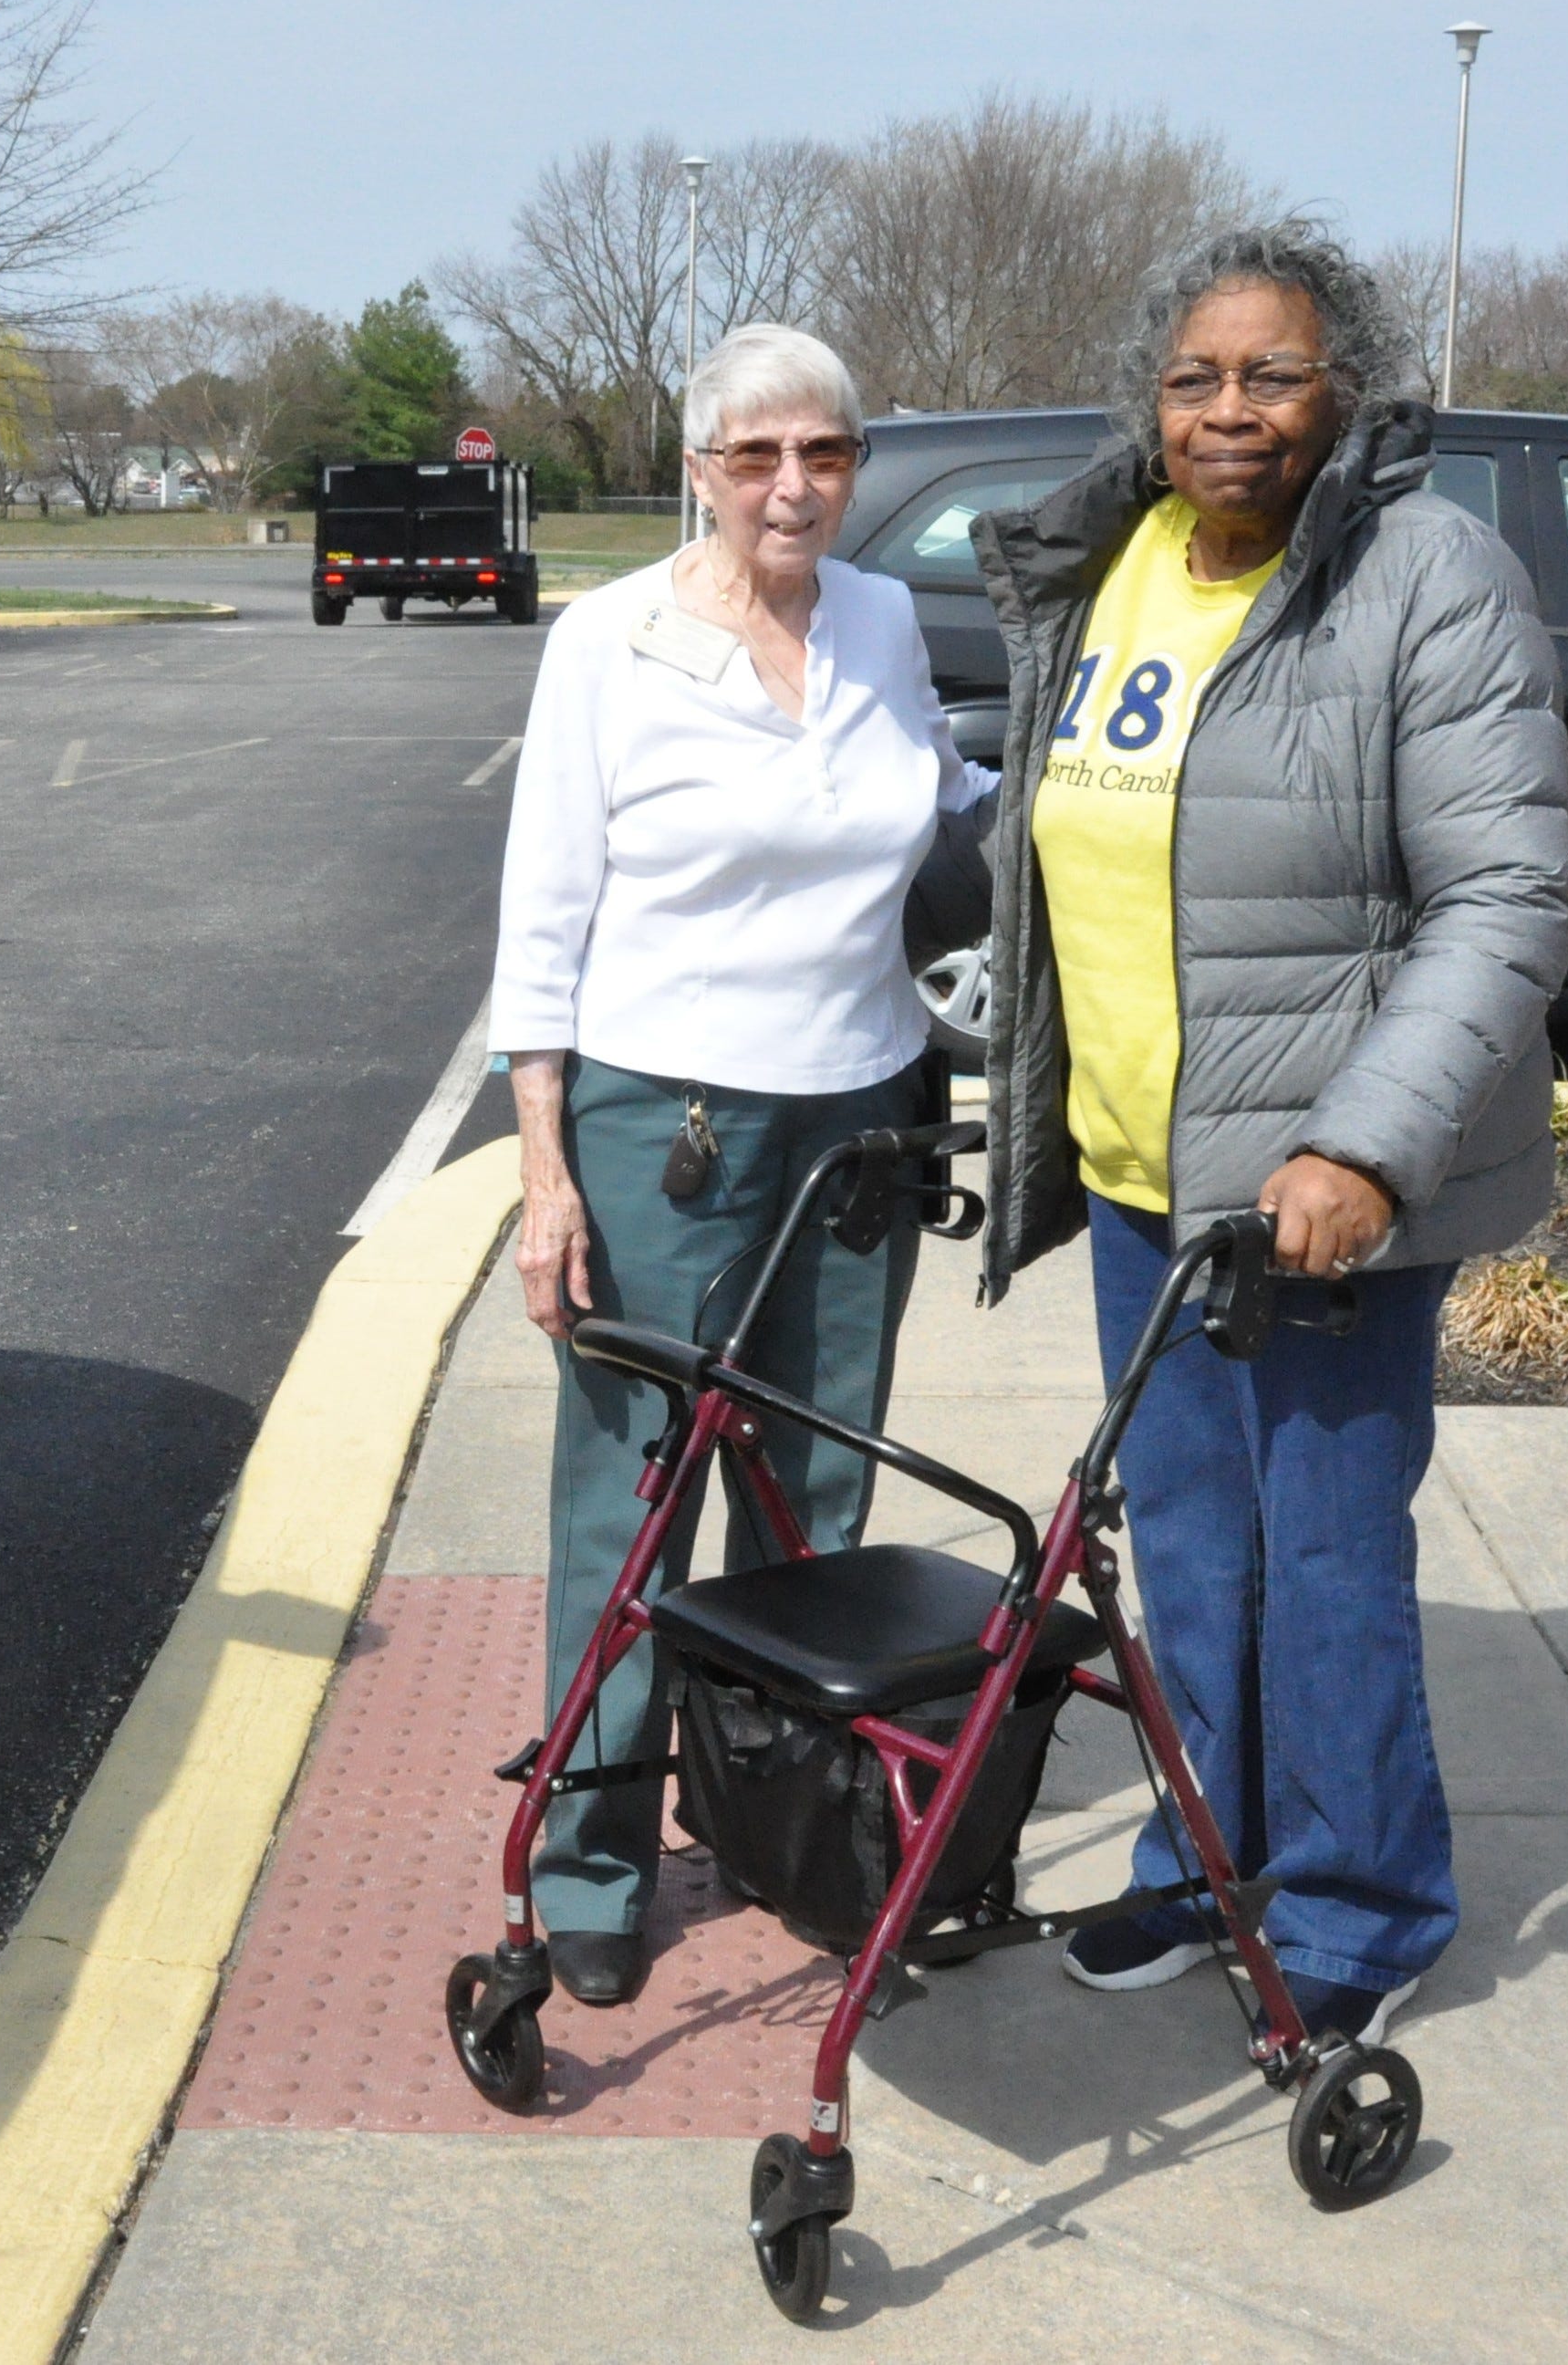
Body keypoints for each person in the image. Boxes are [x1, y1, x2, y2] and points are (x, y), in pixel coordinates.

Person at [968, 221, 1568, 2046]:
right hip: (1153, 1180)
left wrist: (1367, 1149)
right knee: (1192, 1545)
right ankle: (1205, 1847)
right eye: (1195, 377)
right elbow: (1061, 849)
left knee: (1322, 1555)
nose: (1231, 411)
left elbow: (1511, 894)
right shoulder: (1119, 564)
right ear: (1151, 407)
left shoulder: (1426, 576)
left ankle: (1362, 1900)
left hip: (1322, 1199)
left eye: (1273, 374)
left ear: (1348, 393)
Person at [489, 322, 995, 2006]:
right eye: (756, 455)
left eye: (826, 455)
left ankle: (790, 1822)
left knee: (813, 1501)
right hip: (666, 1127)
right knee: (633, 1499)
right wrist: (545, 1172)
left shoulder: (880, 617)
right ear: (697, 466)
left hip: (856, 1113)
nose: (793, 487)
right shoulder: (609, 642)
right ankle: (594, 1851)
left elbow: (936, 806)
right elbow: (542, 917)